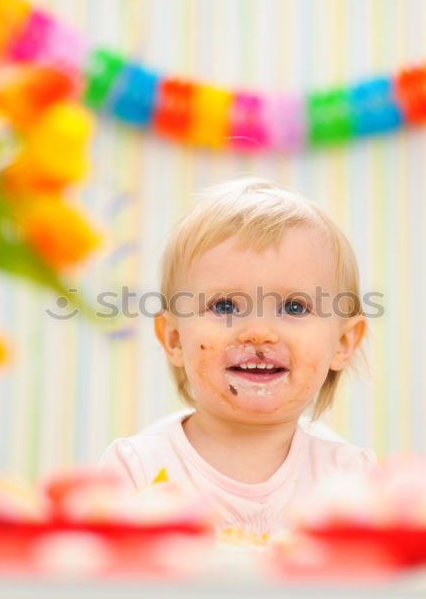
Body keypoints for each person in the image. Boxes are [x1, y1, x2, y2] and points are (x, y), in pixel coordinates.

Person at [99, 177, 376, 537]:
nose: (258, 331)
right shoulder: (135, 470)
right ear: (173, 338)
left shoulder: (352, 481)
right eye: (225, 305)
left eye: (294, 306)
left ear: (342, 342)